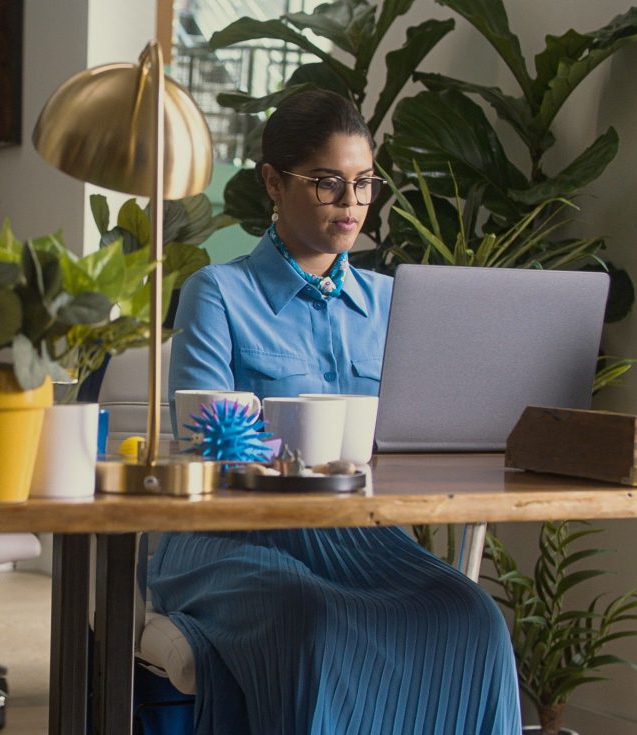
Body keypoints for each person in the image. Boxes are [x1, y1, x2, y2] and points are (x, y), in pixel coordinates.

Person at [148, 89, 522, 734]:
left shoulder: (392, 302)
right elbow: (201, 449)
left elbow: (423, 439)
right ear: (272, 181)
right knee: (310, 616)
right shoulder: (219, 293)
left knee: (475, 616)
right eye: (327, 184)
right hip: (229, 540)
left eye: (364, 183)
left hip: (364, 538)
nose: (351, 204)